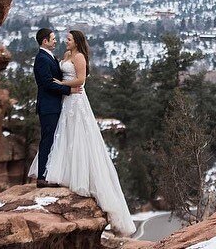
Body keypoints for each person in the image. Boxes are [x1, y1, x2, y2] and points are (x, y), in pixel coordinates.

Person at [29, 30, 136, 236]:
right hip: (63, 101)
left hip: (75, 100)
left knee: (75, 137)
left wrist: (64, 86)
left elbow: (80, 80)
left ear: (76, 41)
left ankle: (74, 175)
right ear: (45, 41)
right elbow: (49, 80)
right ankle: (53, 174)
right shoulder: (61, 56)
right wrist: (64, 88)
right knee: (61, 137)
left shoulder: (78, 57)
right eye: (56, 39)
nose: (61, 41)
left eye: (67, 39)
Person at [31, 28, 82, 189]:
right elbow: (47, 83)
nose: (56, 41)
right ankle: (42, 178)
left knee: (55, 139)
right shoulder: (42, 59)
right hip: (48, 106)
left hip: (55, 104)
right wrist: (69, 90)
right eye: (53, 39)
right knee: (48, 139)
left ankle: (50, 173)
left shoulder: (49, 56)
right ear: (45, 41)